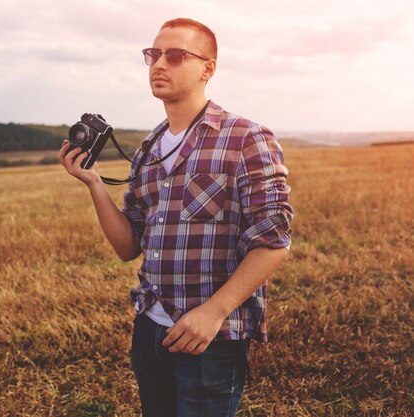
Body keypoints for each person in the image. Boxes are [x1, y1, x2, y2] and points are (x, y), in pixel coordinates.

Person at [57, 17, 293, 417]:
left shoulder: (245, 137)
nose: (159, 64)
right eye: (153, 54)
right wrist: (94, 185)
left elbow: (274, 242)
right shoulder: (149, 147)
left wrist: (214, 313)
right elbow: (128, 246)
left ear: (208, 67)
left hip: (208, 338)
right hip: (150, 330)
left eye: (175, 55)